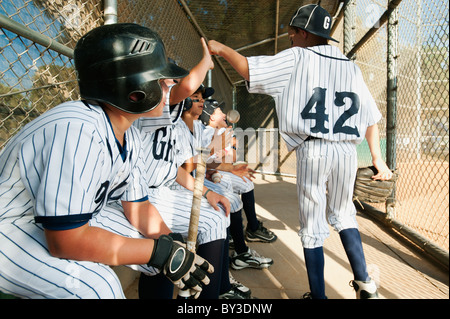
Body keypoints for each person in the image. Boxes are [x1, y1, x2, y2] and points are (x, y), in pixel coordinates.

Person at [0, 23, 213, 299]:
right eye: (161, 80)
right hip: (10, 225)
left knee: (153, 249)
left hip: (48, 223)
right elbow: (65, 241)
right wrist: (159, 253)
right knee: (98, 288)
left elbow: (138, 209)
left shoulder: (128, 134)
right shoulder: (78, 128)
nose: (171, 85)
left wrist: (171, 243)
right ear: (133, 89)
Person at [208, 3, 394, 299]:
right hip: (347, 152)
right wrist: (377, 158)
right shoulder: (350, 65)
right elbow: (371, 119)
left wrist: (221, 49)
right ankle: (365, 284)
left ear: (304, 33)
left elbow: (248, 68)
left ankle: (318, 296)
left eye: (293, 32)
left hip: (314, 150)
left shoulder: (296, 57)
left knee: (312, 226)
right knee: (345, 215)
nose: (291, 38)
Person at [199, 99, 277, 271]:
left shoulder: (221, 131)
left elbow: (227, 157)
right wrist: (221, 149)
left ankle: (245, 235)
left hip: (211, 172)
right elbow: (203, 161)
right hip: (200, 178)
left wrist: (231, 167)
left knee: (244, 184)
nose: (225, 114)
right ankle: (239, 250)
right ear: (210, 116)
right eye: (219, 110)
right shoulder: (204, 132)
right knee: (231, 201)